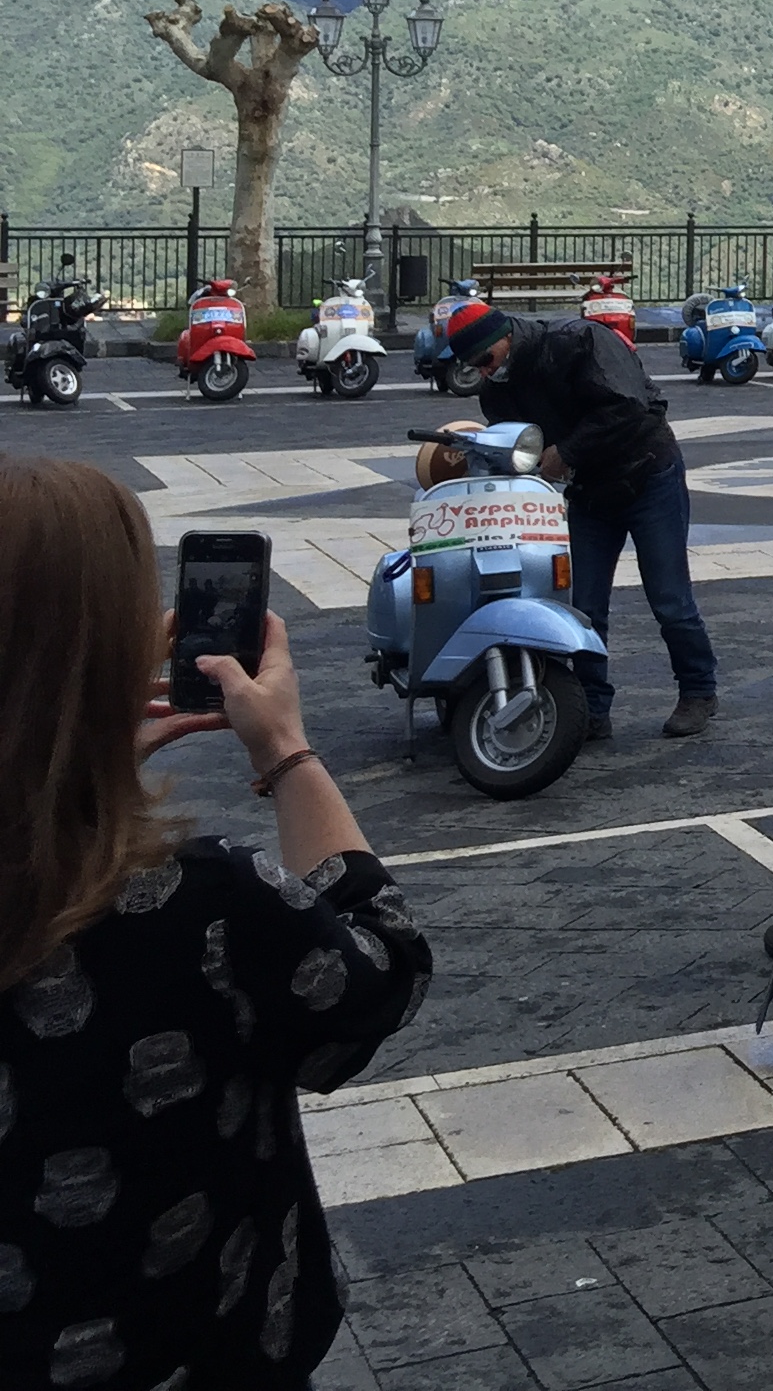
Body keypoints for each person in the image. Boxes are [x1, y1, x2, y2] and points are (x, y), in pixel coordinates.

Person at [0, 457, 432, 1391]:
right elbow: (381, 973)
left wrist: (72, 765)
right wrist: (285, 751)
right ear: (117, 651)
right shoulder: (195, 902)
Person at [445, 295, 721, 741]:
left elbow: (628, 406)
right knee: (584, 607)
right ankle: (592, 706)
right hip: (590, 490)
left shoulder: (579, 340)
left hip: (648, 472)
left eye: (486, 359)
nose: (484, 371)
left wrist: (567, 453)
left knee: (670, 599)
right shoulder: (496, 388)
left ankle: (698, 689)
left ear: (505, 337)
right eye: (474, 367)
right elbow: (514, 444)